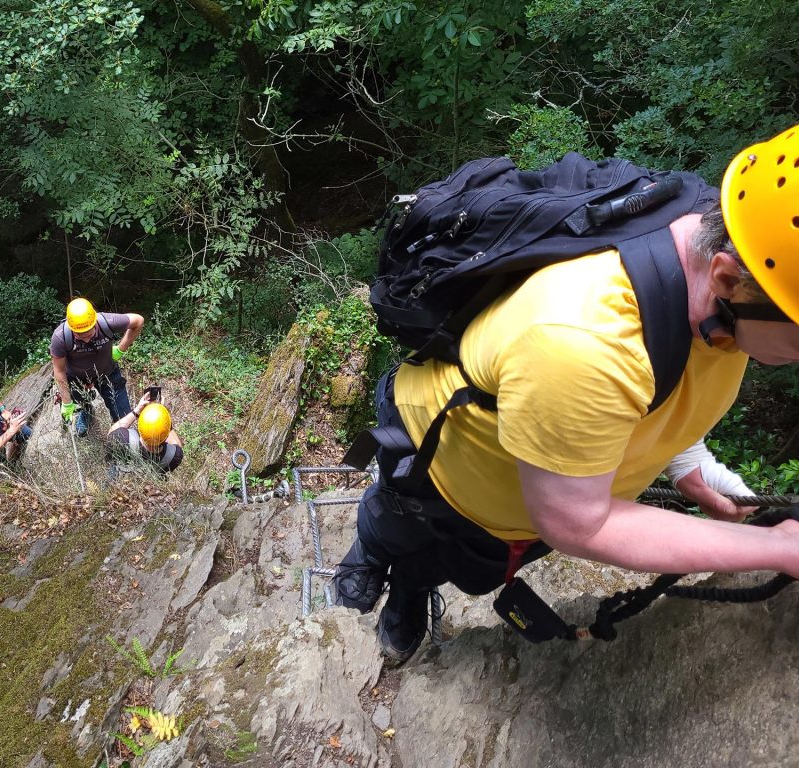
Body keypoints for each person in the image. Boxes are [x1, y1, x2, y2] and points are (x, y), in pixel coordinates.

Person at [334, 124, 799, 665]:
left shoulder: (728, 254)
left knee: (458, 568)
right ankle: (369, 555)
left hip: (517, 502)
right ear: (728, 279)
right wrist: (773, 548)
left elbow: (655, 377)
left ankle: (411, 590)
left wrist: (689, 466)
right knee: (394, 523)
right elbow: (580, 521)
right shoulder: (583, 337)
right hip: (436, 459)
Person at [50, 298, 144, 437]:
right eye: (80, 335)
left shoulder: (108, 322)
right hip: (76, 378)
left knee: (124, 416)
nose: (86, 339)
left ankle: (121, 441)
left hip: (107, 373)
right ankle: (85, 409)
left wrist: (120, 349)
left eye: (89, 333)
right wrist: (67, 402)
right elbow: (59, 370)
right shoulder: (61, 337)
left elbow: (138, 321)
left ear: (95, 323)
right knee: (78, 399)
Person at [105, 393, 184, 474]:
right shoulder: (173, 457)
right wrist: (165, 418)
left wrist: (136, 412)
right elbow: (178, 446)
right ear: (166, 435)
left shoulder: (123, 438)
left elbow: (110, 434)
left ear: (139, 426)